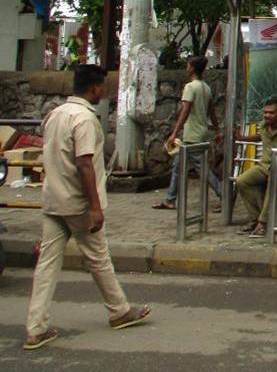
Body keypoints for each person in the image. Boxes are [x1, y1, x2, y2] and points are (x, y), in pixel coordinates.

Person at [23, 64, 151, 351]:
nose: (103, 92)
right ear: (94, 88)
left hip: (53, 200)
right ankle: (119, 311)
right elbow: (84, 163)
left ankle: (35, 328)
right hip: (78, 204)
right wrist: (95, 206)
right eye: (102, 87)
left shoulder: (55, 114)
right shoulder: (84, 119)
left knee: (46, 266)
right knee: (98, 259)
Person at [153, 56, 222, 211]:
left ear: (192, 68)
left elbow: (185, 110)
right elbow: (212, 111)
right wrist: (217, 129)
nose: (186, 68)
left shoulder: (190, 87)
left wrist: (175, 132)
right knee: (178, 167)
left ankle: (224, 194)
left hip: (192, 135)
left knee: (202, 169)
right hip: (201, 132)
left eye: (188, 65)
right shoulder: (206, 87)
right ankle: (170, 199)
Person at [233, 97, 277, 236]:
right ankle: (254, 218)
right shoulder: (263, 126)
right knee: (241, 181)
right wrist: (242, 138)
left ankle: (263, 223)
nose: (267, 115)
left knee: (272, 180)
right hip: (264, 166)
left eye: (271, 113)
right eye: (265, 112)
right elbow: (259, 137)